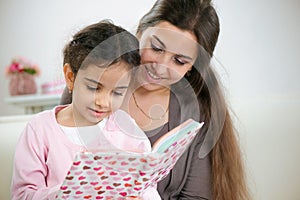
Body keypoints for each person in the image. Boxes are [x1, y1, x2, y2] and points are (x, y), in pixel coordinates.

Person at [60, 0, 251, 199]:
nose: (159, 67)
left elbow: (196, 196)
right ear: (141, 32)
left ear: (191, 67)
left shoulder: (197, 110)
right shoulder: (90, 81)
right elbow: (56, 164)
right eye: (157, 48)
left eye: (179, 61)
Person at [11, 20, 161, 199]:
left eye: (117, 92)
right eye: (94, 88)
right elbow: (22, 195)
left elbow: (147, 186)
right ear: (70, 77)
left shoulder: (126, 128)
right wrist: (70, 193)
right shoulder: (40, 130)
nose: (104, 102)